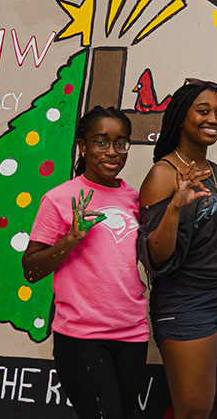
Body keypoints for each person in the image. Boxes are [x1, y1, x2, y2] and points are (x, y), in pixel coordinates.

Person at [137, 79, 217, 418]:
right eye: (203, 111)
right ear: (181, 117)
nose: (214, 120)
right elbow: (156, 258)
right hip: (186, 302)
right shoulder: (164, 174)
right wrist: (175, 207)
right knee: (194, 411)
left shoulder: (214, 171)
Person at [23, 106, 147, 418]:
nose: (112, 152)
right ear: (83, 145)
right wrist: (71, 238)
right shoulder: (60, 199)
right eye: (101, 142)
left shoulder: (135, 199)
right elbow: (31, 270)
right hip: (82, 338)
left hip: (132, 333)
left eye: (121, 143)